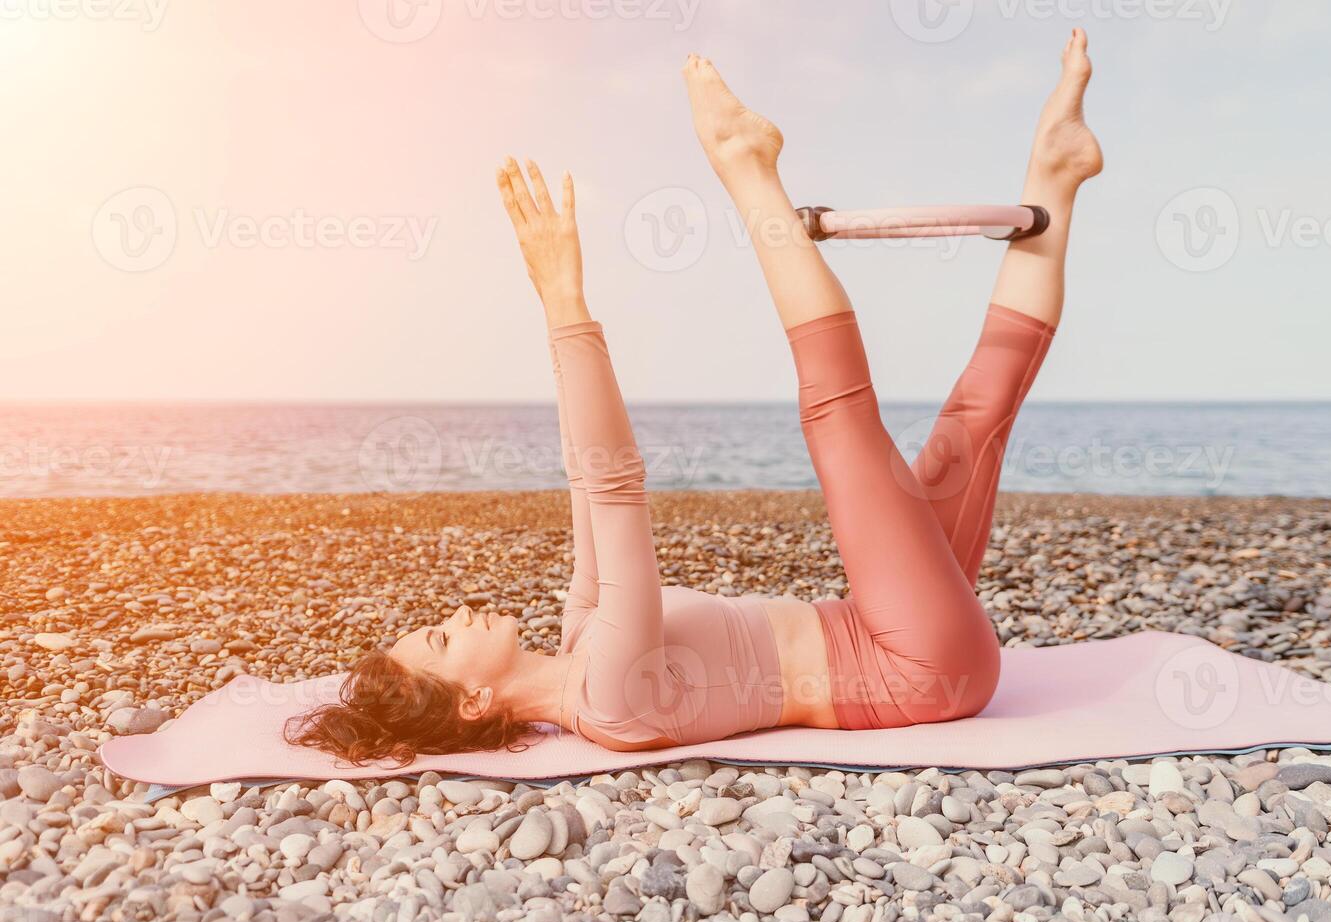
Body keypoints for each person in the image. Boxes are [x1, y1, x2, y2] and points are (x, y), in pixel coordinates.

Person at [286, 30, 1103, 764]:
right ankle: (749, 169)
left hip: (881, 623)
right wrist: (565, 300)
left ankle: (1054, 177)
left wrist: (558, 309)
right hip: (914, 666)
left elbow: (584, 482)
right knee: (836, 419)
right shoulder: (605, 696)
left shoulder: (581, 639)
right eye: (441, 637)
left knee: (968, 428)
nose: (458, 614)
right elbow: (616, 487)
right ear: (472, 701)